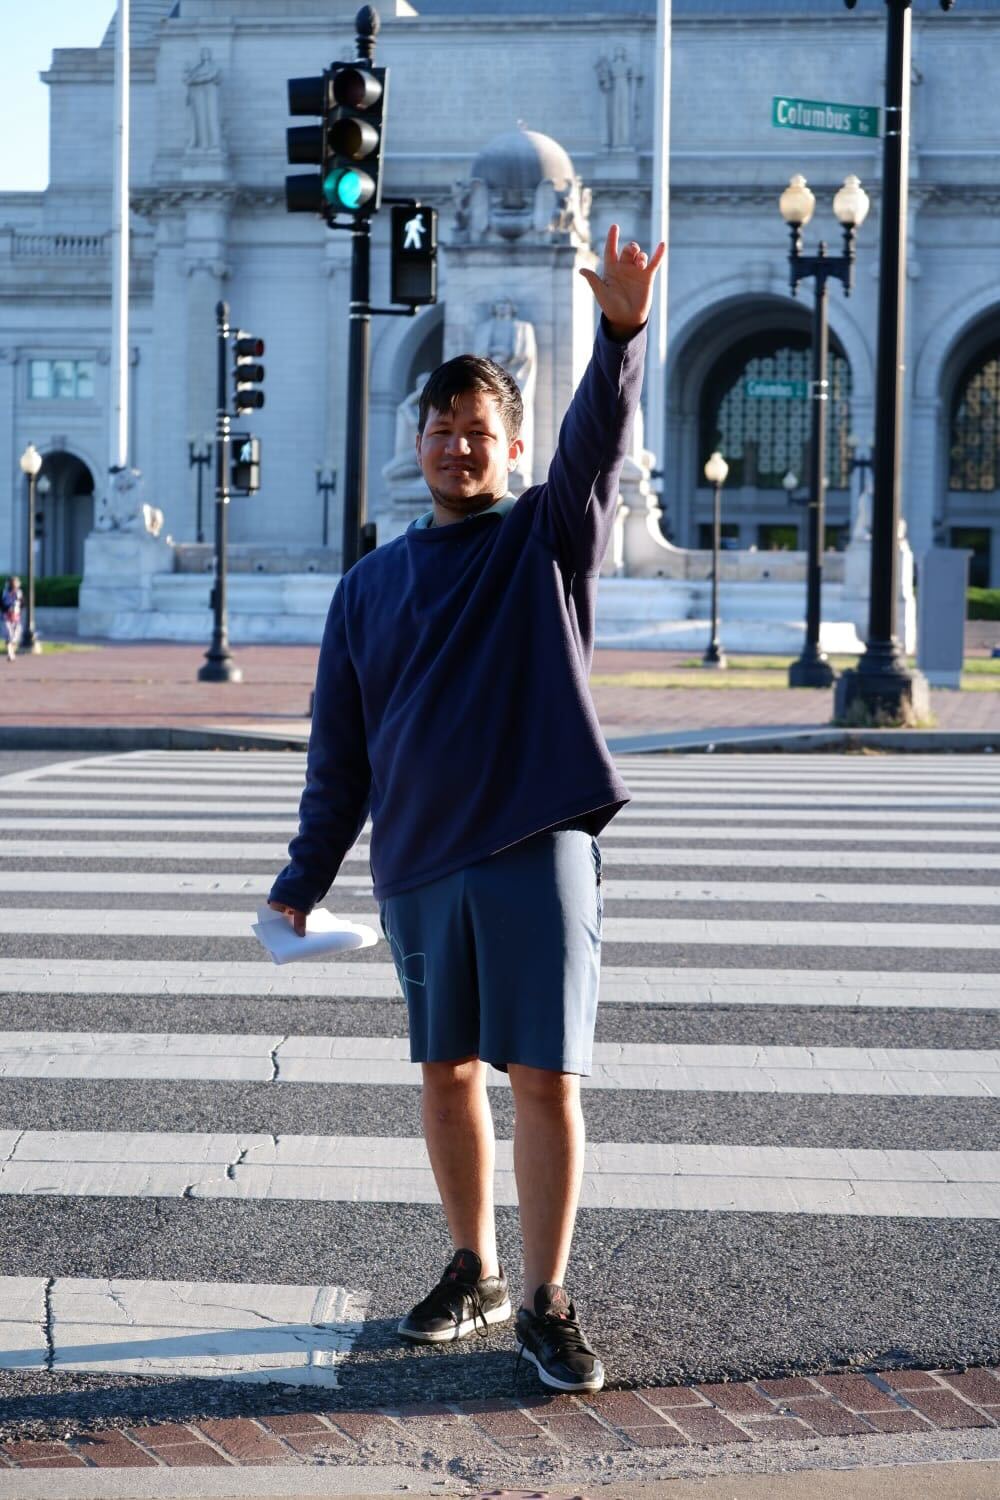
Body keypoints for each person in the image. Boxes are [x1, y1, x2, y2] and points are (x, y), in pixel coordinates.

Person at [269, 225, 663, 1393]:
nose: (456, 446)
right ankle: (474, 1269)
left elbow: (595, 445)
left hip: (535, 846)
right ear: (418, 442)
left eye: (477, 432)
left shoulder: (546, 535)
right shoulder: (367, 587)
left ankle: (546, 1297)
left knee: (543, 1076)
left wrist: (623, 335)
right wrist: (302, 877)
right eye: (440, 429)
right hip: (416, 865)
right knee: (444, 1072)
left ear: (511, 447)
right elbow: (340, 755)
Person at [2, 576, 23, 663]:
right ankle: (10, 654)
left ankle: (12, 653)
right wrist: (8, 608)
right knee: (9, 635)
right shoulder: (5, 593)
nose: (15, 585)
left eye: (16, 583)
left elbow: (22, 604)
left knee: (15, 638)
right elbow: (2, 604)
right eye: (14, 583)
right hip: (6, 617)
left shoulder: (19, 592)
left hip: (16, 618)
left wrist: (18, 605)